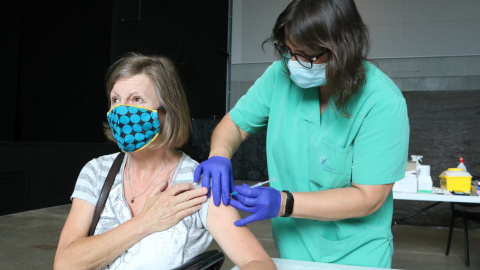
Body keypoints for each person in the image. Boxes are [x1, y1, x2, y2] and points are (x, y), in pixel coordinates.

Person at [193, 0, 409, 268]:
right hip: (291, 250)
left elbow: (368, 198)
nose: (293, 63)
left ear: (342, 49)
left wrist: (285, 202)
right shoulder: (279, 76)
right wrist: (219, 156)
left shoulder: (381, 101)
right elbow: (235, 124)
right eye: (288, 51)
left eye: (306, 55)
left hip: (357, 256)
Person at [54, 53, 276, 270]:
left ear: (166, 111)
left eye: (137, 99)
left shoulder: (197, 182)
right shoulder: (96, 172)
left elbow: (258, 263)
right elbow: (65, 263)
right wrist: (145, 222)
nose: (122, 110)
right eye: (116, 100)